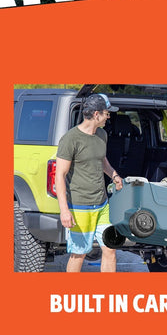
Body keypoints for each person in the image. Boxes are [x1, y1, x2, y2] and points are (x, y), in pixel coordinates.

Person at [54, 93, 124, 273]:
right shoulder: (70, 139)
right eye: (106, 114)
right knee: (79, 254)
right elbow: (60, 175)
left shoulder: (102, 134)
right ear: (96, 115)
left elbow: (102, 161)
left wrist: (114, 176)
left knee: (110, 249)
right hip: (80, 207)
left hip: (102, 205)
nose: (108, 117)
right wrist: (64, 210)